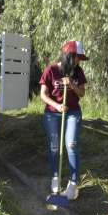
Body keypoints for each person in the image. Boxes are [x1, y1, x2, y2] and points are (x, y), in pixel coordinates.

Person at [40, 41, 88, 201]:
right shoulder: (51, 70)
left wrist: (72, 84)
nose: (79, 61)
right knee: (54, 147)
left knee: (71, 145)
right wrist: (57, 105)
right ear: (69, 56)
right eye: (77, 58)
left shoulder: (78, 71)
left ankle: (73, 184)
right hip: (53, 113)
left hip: (73, 112)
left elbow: (82, 93)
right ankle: (55, 178)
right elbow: (43, 94)